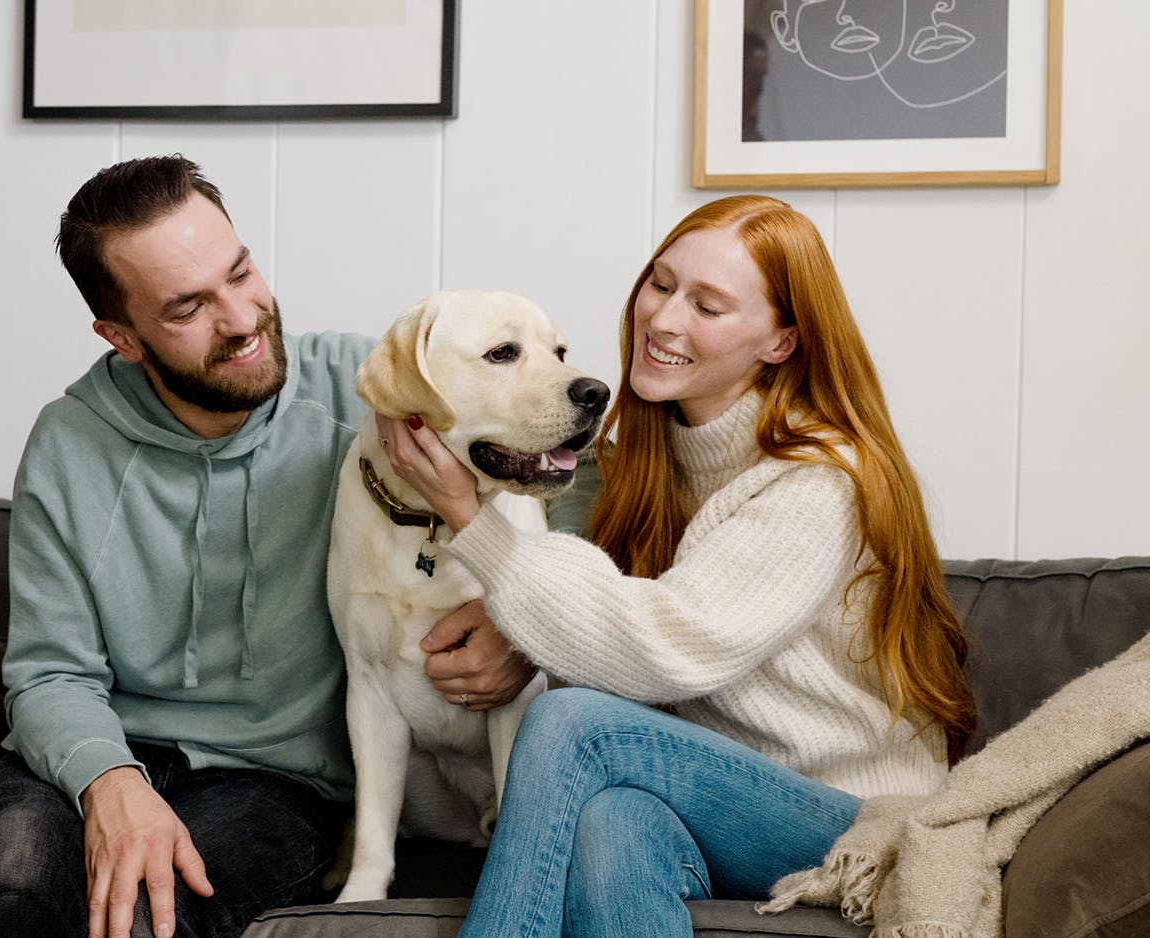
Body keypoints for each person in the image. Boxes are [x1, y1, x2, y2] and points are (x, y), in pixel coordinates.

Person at [0, 155, 534, 938]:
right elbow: (49, 670)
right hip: (91, 754)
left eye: (241, 273)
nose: (240, 319)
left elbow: (564, 478)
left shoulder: (369, 394)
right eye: (188, 307)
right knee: (21, 890)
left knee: (147, 919)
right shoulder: (69, 445)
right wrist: (111, 784)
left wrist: (524, 630)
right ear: (121, 336)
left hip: (274, 781)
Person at [376, 194, 976, 937]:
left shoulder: (822, 481)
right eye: (661, 284)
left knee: (575, 726)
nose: (662, 320)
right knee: (611, 824)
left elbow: (665, 645)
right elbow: (597, 632)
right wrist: (523, 631)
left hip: (846, 814)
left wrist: (472, 518)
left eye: (709, 306)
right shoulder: (644, 466)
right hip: (705, 799)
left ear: (782, 342)